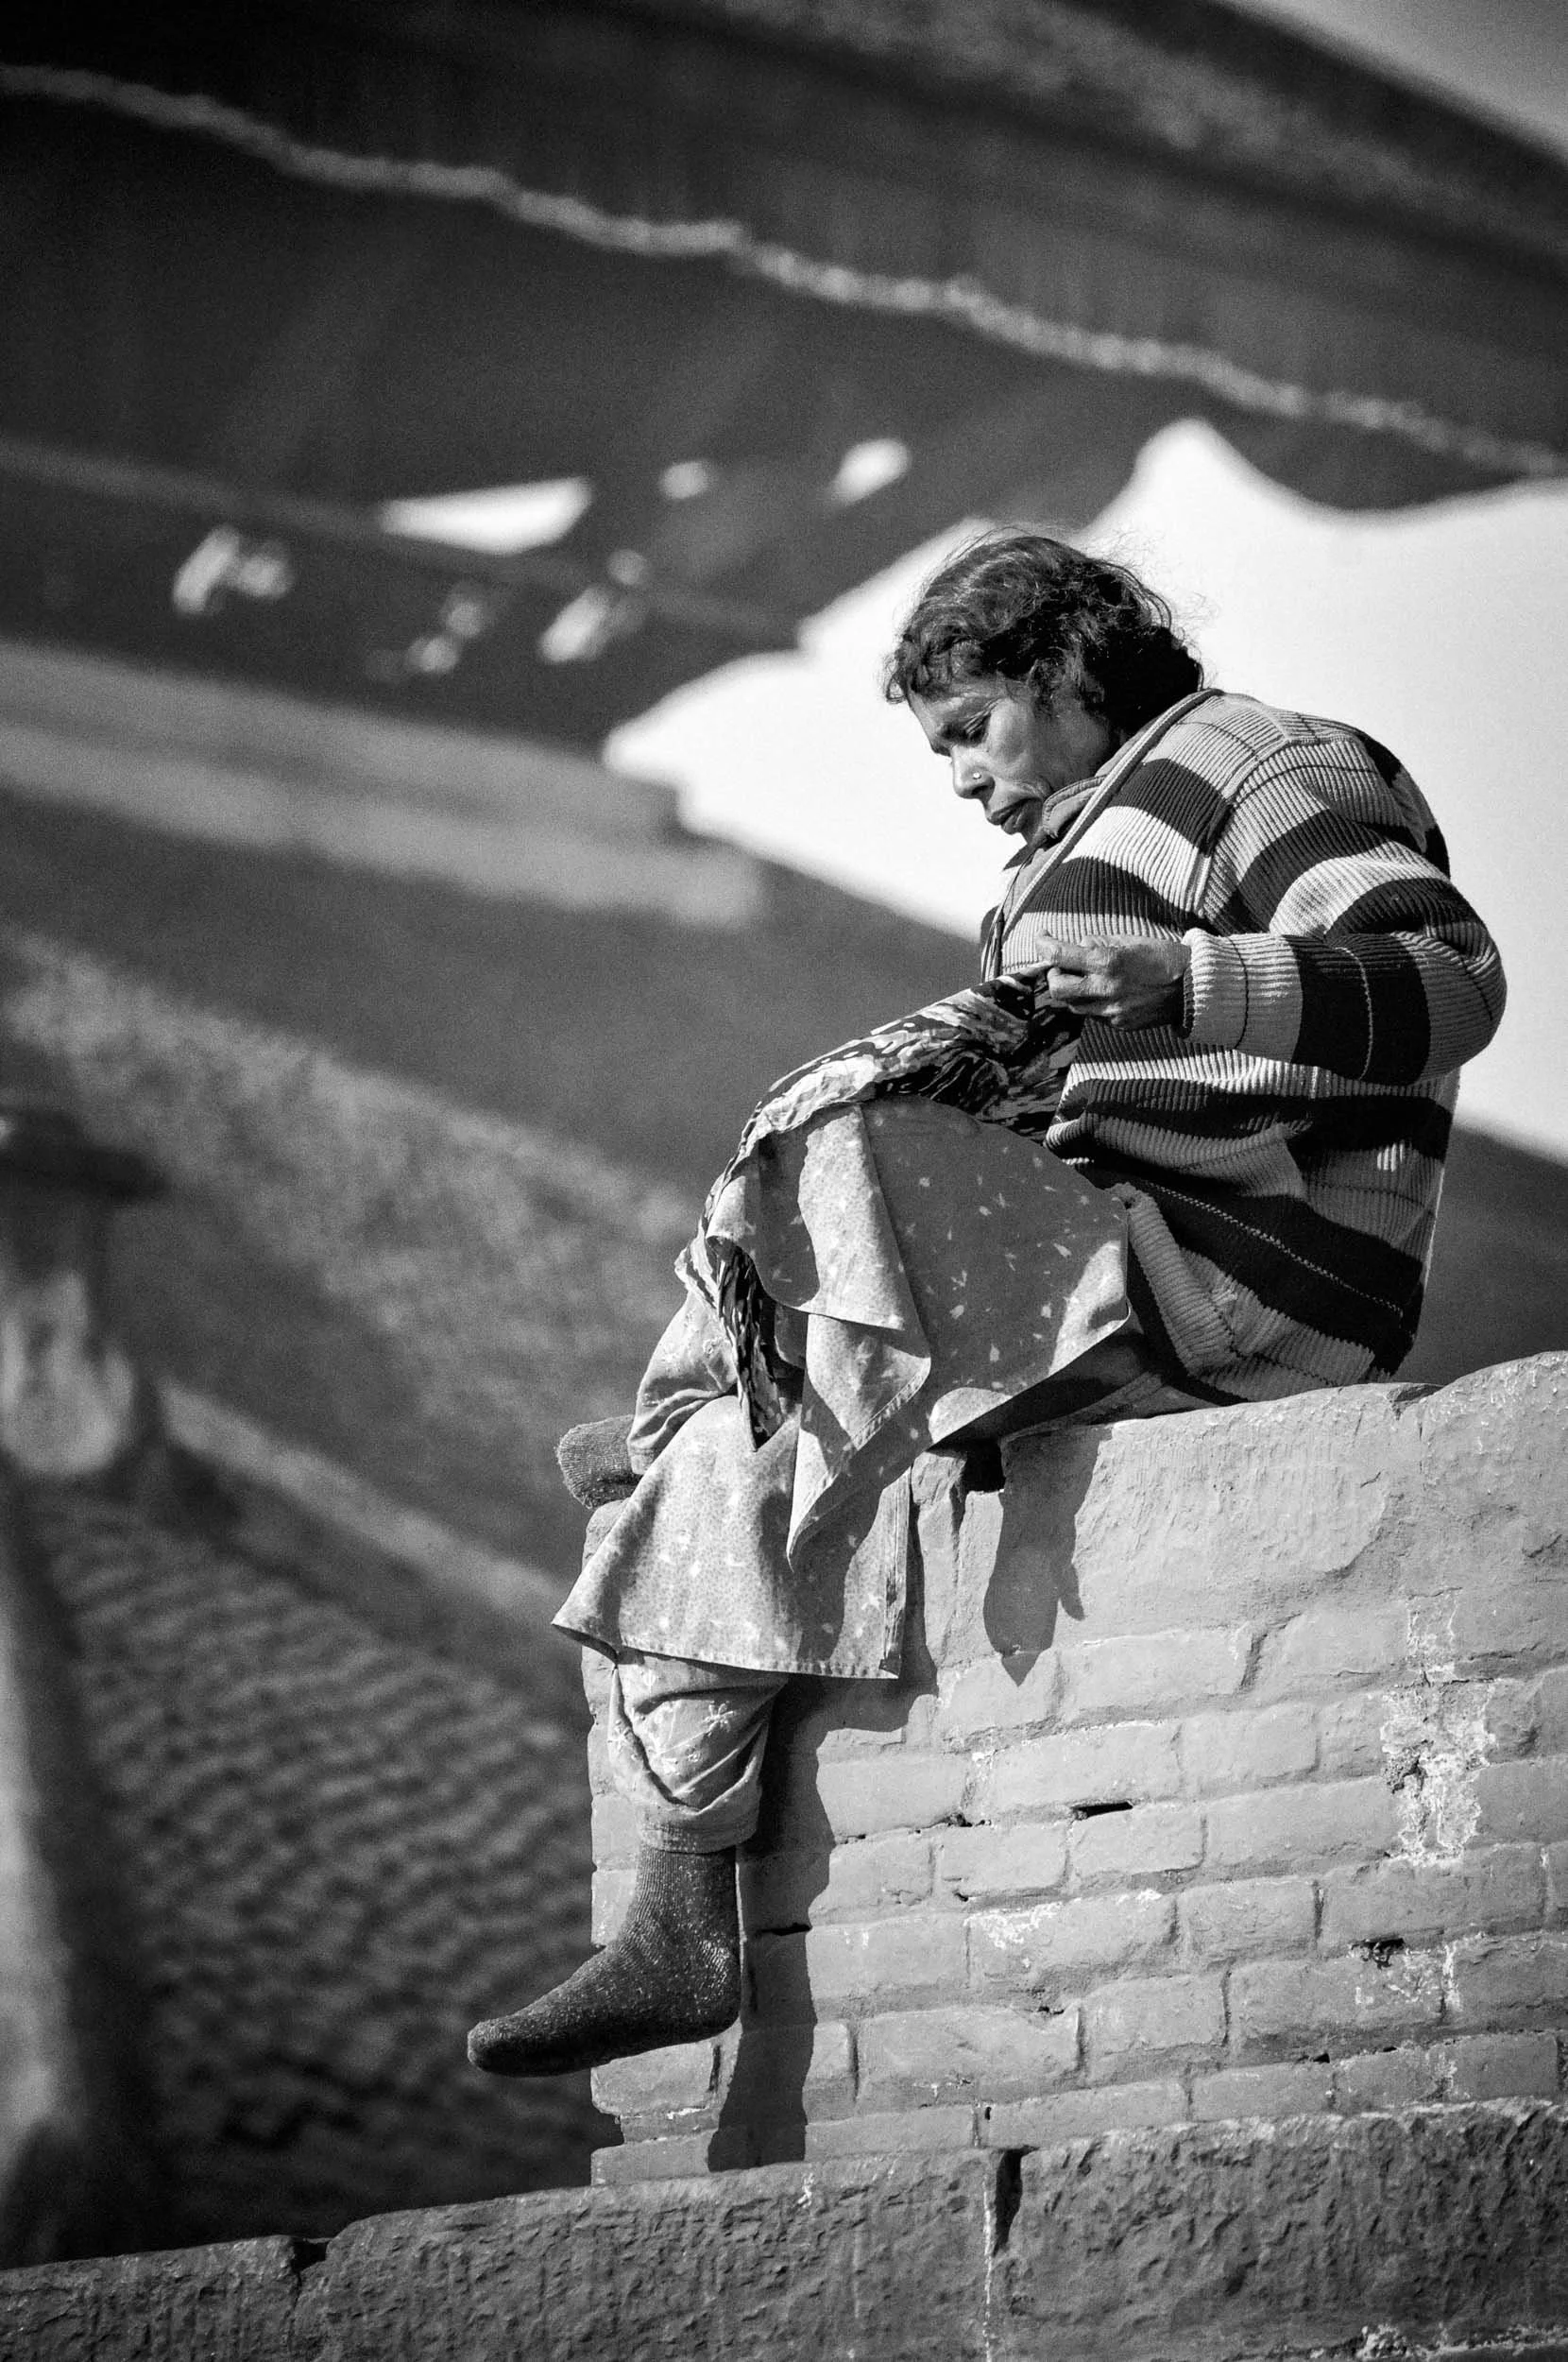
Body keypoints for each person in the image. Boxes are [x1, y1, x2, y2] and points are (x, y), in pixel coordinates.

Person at [467, 529, 1505, 2080]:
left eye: (971, 729)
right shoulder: (1047, 870)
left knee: (854, 1159)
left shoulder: (1263, 765)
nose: (960, 778)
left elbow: (1449, 976)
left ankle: (734, 1416)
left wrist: (1193, 978)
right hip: (1100, 1269)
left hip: (1241, 1277)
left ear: (1070, 670)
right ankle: (682, 1911)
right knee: (754, 1287)